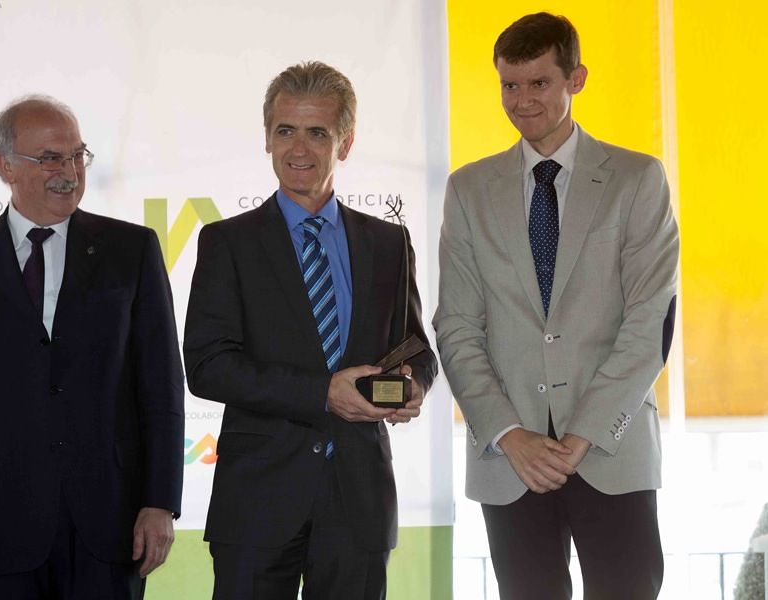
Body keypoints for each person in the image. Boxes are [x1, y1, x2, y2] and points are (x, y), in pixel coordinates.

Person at [434, 13, 679, 600]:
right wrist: (507, 434)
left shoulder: (636, 179)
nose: (521, 101)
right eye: (508, 86)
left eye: (538, 83)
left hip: (611, 452)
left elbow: (650, 324)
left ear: (577, 79)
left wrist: (585, 434)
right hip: (509, 462)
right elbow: (456, 327)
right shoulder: (468, 189)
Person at [183, 61, 437, 600]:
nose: (299, 148)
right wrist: (323, 394)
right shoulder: (227, 244)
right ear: (268, 139)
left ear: (344, 143)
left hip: (358, 502)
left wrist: (413, 382)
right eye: (285, 131)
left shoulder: (389, 244)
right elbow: (207, 365)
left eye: (317, 132)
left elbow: (414, 347)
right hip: (257, 504)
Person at [0, 95, 185, 599]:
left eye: (77, 155)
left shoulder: (133, 251)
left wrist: (160, 501)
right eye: (50, 158)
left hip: (109, 525)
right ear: (4, 166)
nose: (69, 171)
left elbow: (162, 388)